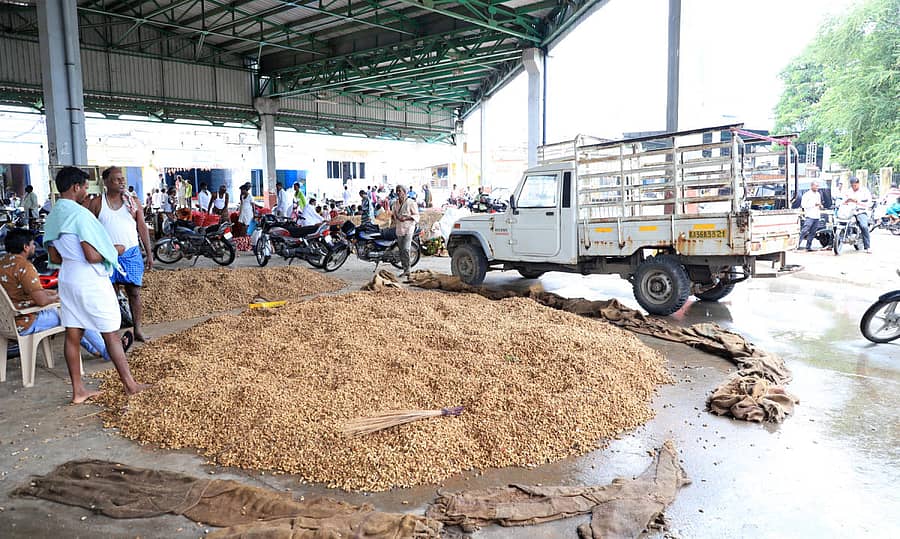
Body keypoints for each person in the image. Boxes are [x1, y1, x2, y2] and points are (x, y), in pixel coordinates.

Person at [43, 166, 147, 404]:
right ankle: (130, 385)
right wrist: (115, 250)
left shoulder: (54, 215)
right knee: (111, 333)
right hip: (89, 279)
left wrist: (74, 257)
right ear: (75, 187)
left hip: (68, 277)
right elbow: (92, 255)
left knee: (73, 334)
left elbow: (55, 257)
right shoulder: (80, 215)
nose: (86, 192)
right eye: (84, 187)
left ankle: (78, 391)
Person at [1, 228, 117, 363]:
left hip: (5, 322)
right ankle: (107, 352)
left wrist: (52, 293)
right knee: (76, 314)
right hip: (24, 322)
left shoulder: (2, 263)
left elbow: (22, 292)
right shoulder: (24, 267)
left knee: (67, 314)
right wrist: (59, 297)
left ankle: (97, 349)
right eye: (32, 244)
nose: (34, 247)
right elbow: (42, 300)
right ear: (25, 247)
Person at [88, 166, 153, 342]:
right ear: (106, 182)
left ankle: (137, 329)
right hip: (107, 256)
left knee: (134, 292)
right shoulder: (96, 203)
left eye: (122, 178)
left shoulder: (132, 202)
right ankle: (113, 333)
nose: (122, 181)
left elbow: (142, 228)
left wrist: (149, 252)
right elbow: (88, 231)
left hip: (131, 253)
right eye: (117, 179)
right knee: (110, 295)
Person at [391, 185, 419, 280]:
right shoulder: (395, 203)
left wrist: (406, 218)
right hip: (399, 229)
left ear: (404, 192)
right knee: (401, 250)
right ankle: (405, 269)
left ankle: (408, 270)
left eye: (400, 191)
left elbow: (416, 216)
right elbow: (393, 214)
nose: (398, 193)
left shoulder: (411, 202)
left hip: (408, 228)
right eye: (397, 191)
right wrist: (395, 218)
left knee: (406, 249)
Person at [843, 176, 872, 253]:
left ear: (858, 184)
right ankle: (832, 243)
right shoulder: (848, 192)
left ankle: (867, 246)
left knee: (864, 226)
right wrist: (846, 201)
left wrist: (857, 202)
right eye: (852, 185)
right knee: (839, 222)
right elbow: (843, 201)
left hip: (860, 211)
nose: (853, 187)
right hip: (850, 211)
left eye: (855, 185)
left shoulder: (865, 191)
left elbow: (869, 202)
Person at [797, 181, 823, 251]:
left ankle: (808, 246)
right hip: (809, 215)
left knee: (813, 232)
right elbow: (803, 205)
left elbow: (818, 203)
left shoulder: (818, 194)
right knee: (804, 230)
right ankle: (797, 244)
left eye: (818, 186)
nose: (817, 187)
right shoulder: (807, 194)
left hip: (816, 215)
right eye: (816, 186)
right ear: (811, 186)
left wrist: (820, 205)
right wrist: (814, 204)